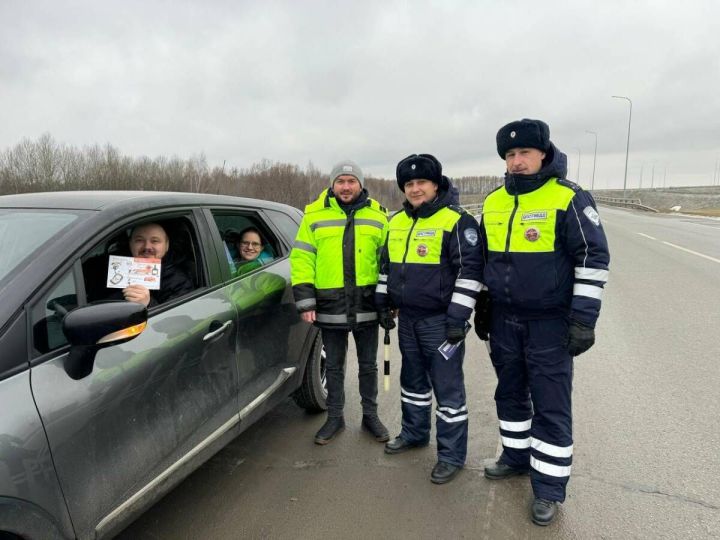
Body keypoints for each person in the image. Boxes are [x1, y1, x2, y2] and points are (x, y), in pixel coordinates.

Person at [475, 119, 610, 525]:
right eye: (510, 155)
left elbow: (593, 258)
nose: (516, 162)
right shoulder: (494, 201)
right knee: (510, 393)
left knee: (551, 404)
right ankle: (516, 457)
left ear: (544, 154)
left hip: (550, 323)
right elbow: (484, 260)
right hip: (505, 320)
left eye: (525, 154)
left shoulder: (569, 198)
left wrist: (583, 319)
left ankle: (549, 488)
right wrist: (483, 305)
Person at [376, 154, 483, 484]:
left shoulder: (457, 221)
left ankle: (451, 455)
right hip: (408, 319)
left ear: (436, 184)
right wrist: (383, 301)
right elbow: (386, 268)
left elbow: (470, 273)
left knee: (448, 390)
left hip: (441, 322)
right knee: (413, 382)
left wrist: (457, 318)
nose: (415, 188)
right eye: (408, 184)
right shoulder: (395, 222)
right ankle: (414, 433)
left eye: (421, 182)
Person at [290, 159, 390, 445]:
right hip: (330, 305)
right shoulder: (313, 216)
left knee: (369, 366)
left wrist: (389, 300)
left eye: (351, 181)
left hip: (367, 304)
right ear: (332, 185)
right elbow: (302, 259)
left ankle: (370, 416)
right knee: (333, 366)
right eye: (341, 181)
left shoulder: (379, 216)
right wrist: (306, 301)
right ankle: (335, 418)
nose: (346, 187)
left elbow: (389, 262)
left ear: (361, 184)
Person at [122, 222, 194, 307]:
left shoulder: (180, 283)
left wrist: (148, 304)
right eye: (139, 240)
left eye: (155, 241)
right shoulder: (111, 269)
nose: (147, 247)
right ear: (130, 244)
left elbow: (177, 318)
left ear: (167, 246)